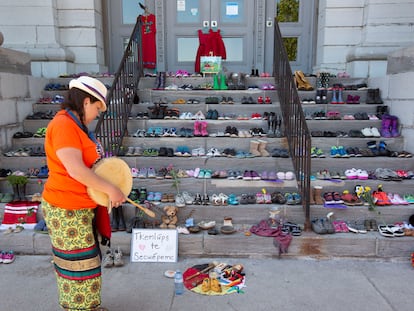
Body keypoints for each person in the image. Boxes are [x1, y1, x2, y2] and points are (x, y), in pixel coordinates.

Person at [41, 76, 126, 311]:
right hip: (66, 208)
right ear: (86, 101)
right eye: (98, 108)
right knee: (77, 270)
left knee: (87, 265)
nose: (98, 114)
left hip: (78, 207)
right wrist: (110, 188)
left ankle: (89, 307)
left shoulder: (77, 126)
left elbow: (91, 166)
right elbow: (76, 170)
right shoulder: (63, 126)